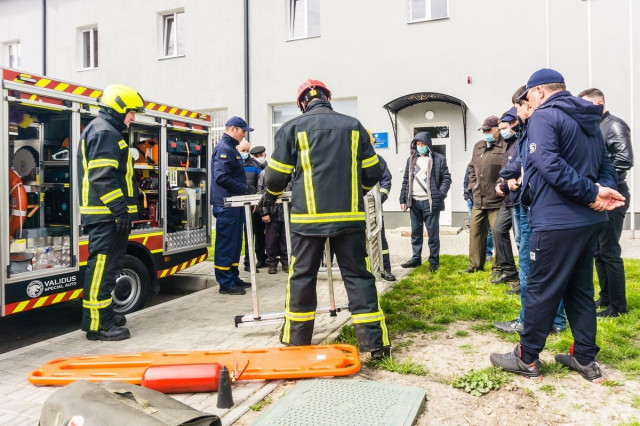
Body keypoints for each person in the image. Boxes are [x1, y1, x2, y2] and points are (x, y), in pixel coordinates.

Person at [490, 68, 624, 383]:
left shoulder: (544, 117)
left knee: (541, 289)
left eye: (529, 96)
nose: (528, 103)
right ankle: (585, 358)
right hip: (589, 221)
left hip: (556, 220)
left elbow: (548, 163)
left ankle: (527, 357)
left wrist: (592, 193)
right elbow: (605, 165)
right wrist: (600, 192)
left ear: (539, 91)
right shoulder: (588, 117)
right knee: (580, 289)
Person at [261, 79, 390, 359]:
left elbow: (275, 176)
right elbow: (373, 172)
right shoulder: (354, 126)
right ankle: (375, 345)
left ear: (302, 103)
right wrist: (355, 191)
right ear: (328, 98)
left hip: (308, 221)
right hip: (350, 218)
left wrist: (270, 196)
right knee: (358, 276)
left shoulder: (291, 128)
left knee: (302, 277)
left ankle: (297, 342)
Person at [493, 85, 567, 333]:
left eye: (518, 107)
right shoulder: (530, 129)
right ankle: (555, 321)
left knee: (530, 267)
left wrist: (515, 177)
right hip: (532, 203)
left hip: (535, 206)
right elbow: (518, 164)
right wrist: (507, 178)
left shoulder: (539, 127)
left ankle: (530, 321)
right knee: (544, 268)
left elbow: (539, 165)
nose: (517, 112)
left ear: (528, 103)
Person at [77, 84, 145, 341]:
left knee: (110, 267)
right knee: (102, 268)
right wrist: (119, 211)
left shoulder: (105, 130)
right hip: (105, 214)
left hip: (107, 214)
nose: (133, 117)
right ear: (117, 108)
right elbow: (102, 176)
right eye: (131, 112)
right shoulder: (105, 132)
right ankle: (98, 325)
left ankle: (104, 314)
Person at [578, 88, 633, 318]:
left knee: (609, 251)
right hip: (600, 194)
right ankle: (606, 297)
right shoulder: (595, 126)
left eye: (585, 105)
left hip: (614, 195)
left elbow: (624, 159)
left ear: (599, 103)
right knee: (599, 251)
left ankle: (618, 306)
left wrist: (602, 184)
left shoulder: (615, 125)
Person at [210, 116, 254, 295]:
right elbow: (221, 177)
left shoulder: (231, 148)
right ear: (233, 129)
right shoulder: (224, 148)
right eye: (242, 131)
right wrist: (244, 188)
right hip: (227, 204)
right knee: (226, 243)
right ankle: (225, 283)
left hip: (235, 203)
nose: (244, 135)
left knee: (235, 243)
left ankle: (233, 276)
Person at [460, 116, 507, 274]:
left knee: (497, 234)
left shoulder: (505, 146)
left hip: (496, 200)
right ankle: (474, 265)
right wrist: (473, 186)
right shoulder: (478, 146)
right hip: (478, 199)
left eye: (488, 130)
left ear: (497, 129)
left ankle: (498, 267)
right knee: (475, 233)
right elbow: (471, 168)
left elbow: (508, 169)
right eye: (484, 130)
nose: (486, 133)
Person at [399, 132, 451, 272]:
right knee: (416, 233)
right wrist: (403, 199)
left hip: (430, 203)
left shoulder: (439, 159)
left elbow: (446, 179)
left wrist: (440, 195)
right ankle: (416, 259)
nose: (420, 146)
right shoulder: (411, 160)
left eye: (422, 144)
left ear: (428, 145)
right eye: (418, 144)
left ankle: (434, 261)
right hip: (414, 203)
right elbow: (405, 180)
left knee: (433, 235)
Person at [491, 109, 519, 284]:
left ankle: (525, 278)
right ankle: (509, 271)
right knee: (498, 230)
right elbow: (505, 171)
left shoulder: (519, 143)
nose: (502, 132)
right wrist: (498, 183)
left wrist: (503, 184)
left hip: (518, 199)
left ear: (513, 125)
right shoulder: (508, 145)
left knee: (520, 239)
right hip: (507, 200)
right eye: (500, 129)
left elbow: (517, 170)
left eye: (504, 128)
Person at [371, 131, 396, 281]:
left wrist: (379, 199)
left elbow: (386, 181)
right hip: (356, 210)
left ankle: (385, 269)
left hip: (374, 209)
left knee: (381, 239)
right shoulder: (351, 160)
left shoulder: (378, 160)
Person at [238, 141, 267, 272]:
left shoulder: (255, 165)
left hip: (255, 205)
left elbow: (260, 185)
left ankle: (260, 259)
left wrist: (257, 202)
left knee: (258, 232)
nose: (245, 153)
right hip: (241, 204)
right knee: (247, 234)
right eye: (243, 150)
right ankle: (248, 262)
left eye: (247, 151)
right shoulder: (235, 164)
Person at [257, 168, 290, 274]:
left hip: (287, 213)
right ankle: (271, 264)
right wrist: (264, 212)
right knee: (271, 241)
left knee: (287, 239)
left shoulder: (290, 172)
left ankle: (286, 262)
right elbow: (260, 194)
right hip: (271, 214)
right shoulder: (264, 173)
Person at [464, 165, 494, 261]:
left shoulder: (490, 164)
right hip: (472, 201)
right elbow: (466, 181)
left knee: (489, 229)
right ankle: (476, 256)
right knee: (474, 230)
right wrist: (467, 196)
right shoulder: (471, 165)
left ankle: (488, 253)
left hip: (488, 201)